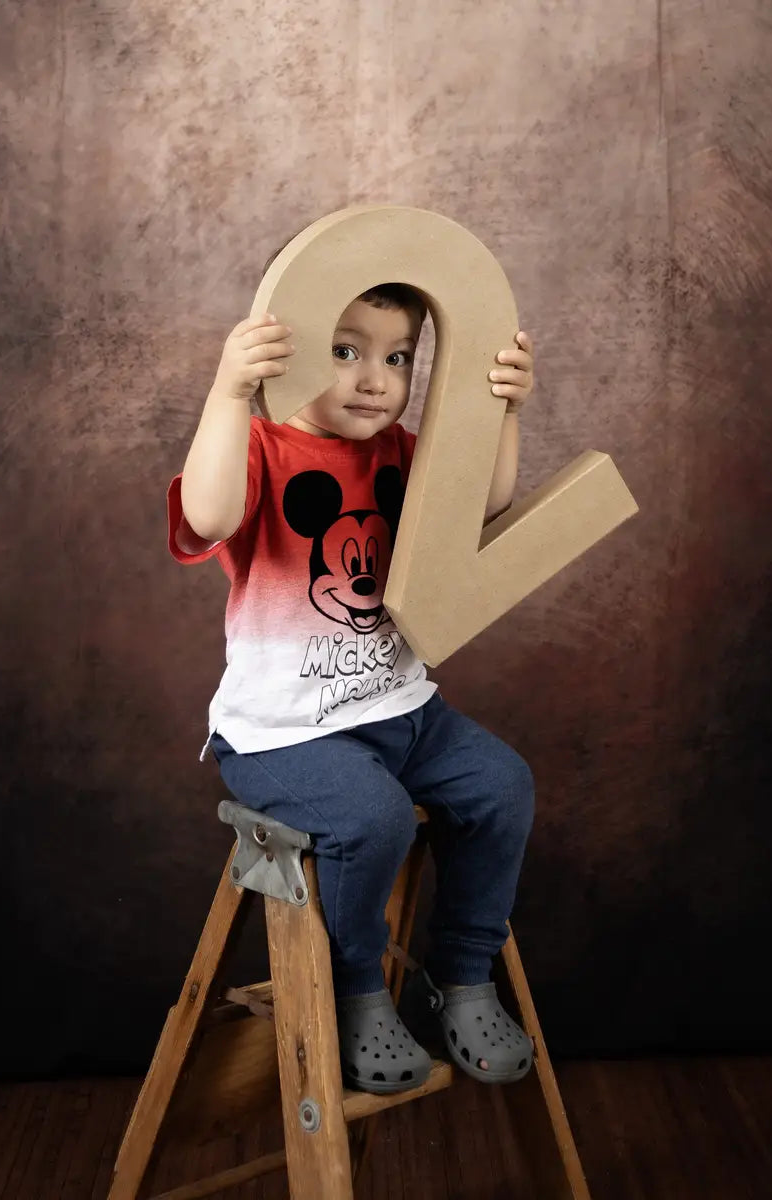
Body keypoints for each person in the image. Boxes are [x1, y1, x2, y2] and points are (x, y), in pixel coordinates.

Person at [168, 270, 537, 1095]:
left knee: (502, 786)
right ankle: (356, 992)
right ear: (286, 352)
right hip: (282, 733)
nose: (375, 379)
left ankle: (463, 974)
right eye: (343, 352)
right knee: (370, 820)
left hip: (402, 711)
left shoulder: (403, 453)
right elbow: (209, 514)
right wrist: (230, 394)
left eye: (398, 357)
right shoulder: (261, 450)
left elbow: (484, 504)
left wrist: (500, 412)